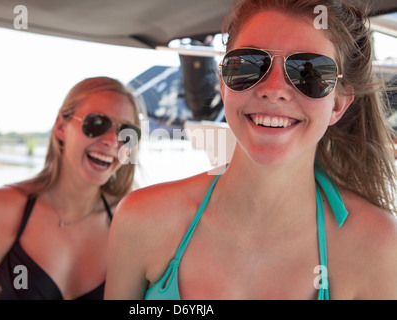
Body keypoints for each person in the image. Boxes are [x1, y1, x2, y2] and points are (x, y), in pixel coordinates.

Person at [105, 0, 397, 300]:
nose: (273, 89)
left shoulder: (377, 246)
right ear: (223, 83)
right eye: (248, 65)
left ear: (337, 103)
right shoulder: (140, 221)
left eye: (308, 72)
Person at [0, 77, 141, 299]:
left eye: (127, 133)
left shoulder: (130, 228)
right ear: (61, 127)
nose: (112, 141)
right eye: (97, 123)